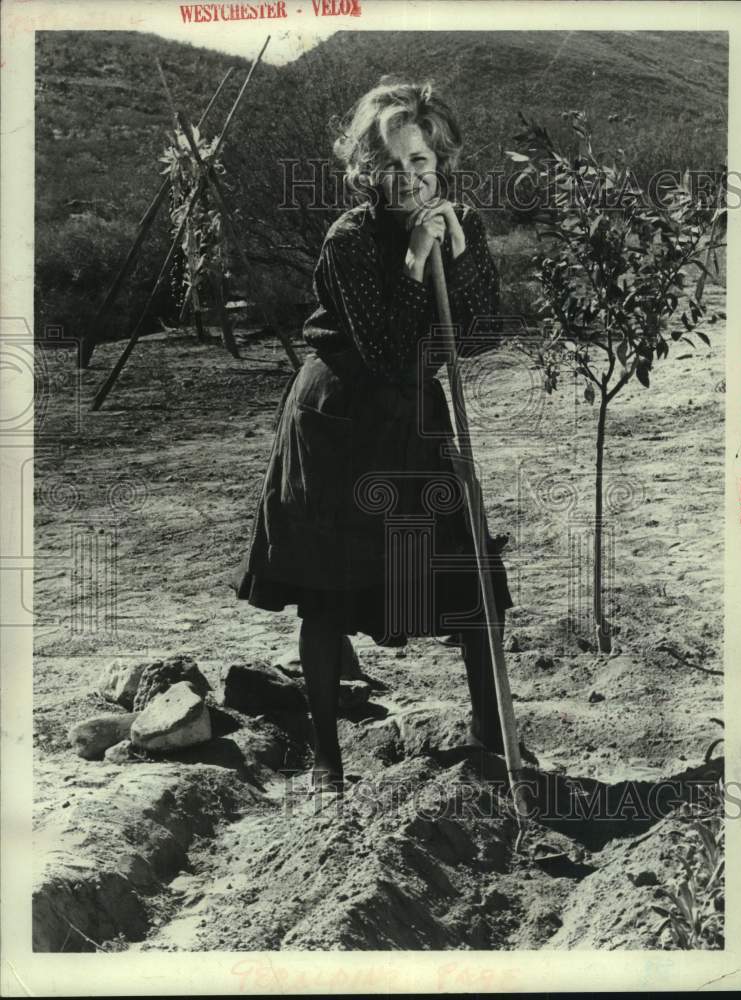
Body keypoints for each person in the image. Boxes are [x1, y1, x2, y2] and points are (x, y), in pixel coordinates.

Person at [231, 78, 514, 792]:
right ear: (365, 171)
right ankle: (327, 760)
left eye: (420, 162)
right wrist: (417, 261)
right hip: (340, 421)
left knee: (468, 576)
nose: (408, 179)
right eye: (391, 166)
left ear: (439, 162)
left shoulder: (459, 223)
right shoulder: (349, 241)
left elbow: (479, 334)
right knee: (330, 591)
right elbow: (385, 350)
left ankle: (495, 736)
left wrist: (459, 255)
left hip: (412, 412)